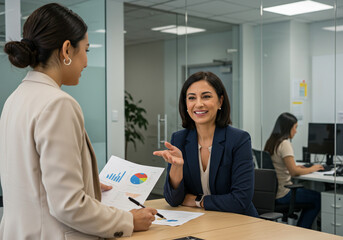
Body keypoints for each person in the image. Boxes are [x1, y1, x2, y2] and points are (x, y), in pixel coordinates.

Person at [0, 3, 156, 239]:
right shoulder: (57, 104)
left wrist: (89, 184)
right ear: (66, 50)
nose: (85, 61)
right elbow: (68, 205)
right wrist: (128, 220)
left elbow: (34, 183)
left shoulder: (15, 99)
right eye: (86, 50)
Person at [153, 71, 258, 217]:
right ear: (186, 104)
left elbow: (240, 201)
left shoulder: (238, 140)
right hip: (200, 220)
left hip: (237, 222)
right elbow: (173, 199)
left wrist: (198, 201)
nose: (199, 104)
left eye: (206, 96)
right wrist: (177, 167)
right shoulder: (179, 139)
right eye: (191, 98)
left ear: (220, 101)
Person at [264, 112, 323, 229]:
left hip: (273, 193)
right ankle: (302, 230)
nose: (296, 131)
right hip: (284, 193)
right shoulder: (285, 143)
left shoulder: (271, 142)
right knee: (317, 198)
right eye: (295, 127)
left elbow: (282, 165)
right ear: (288, 128)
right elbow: (294, 172)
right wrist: (313, 168)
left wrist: (299, 167)